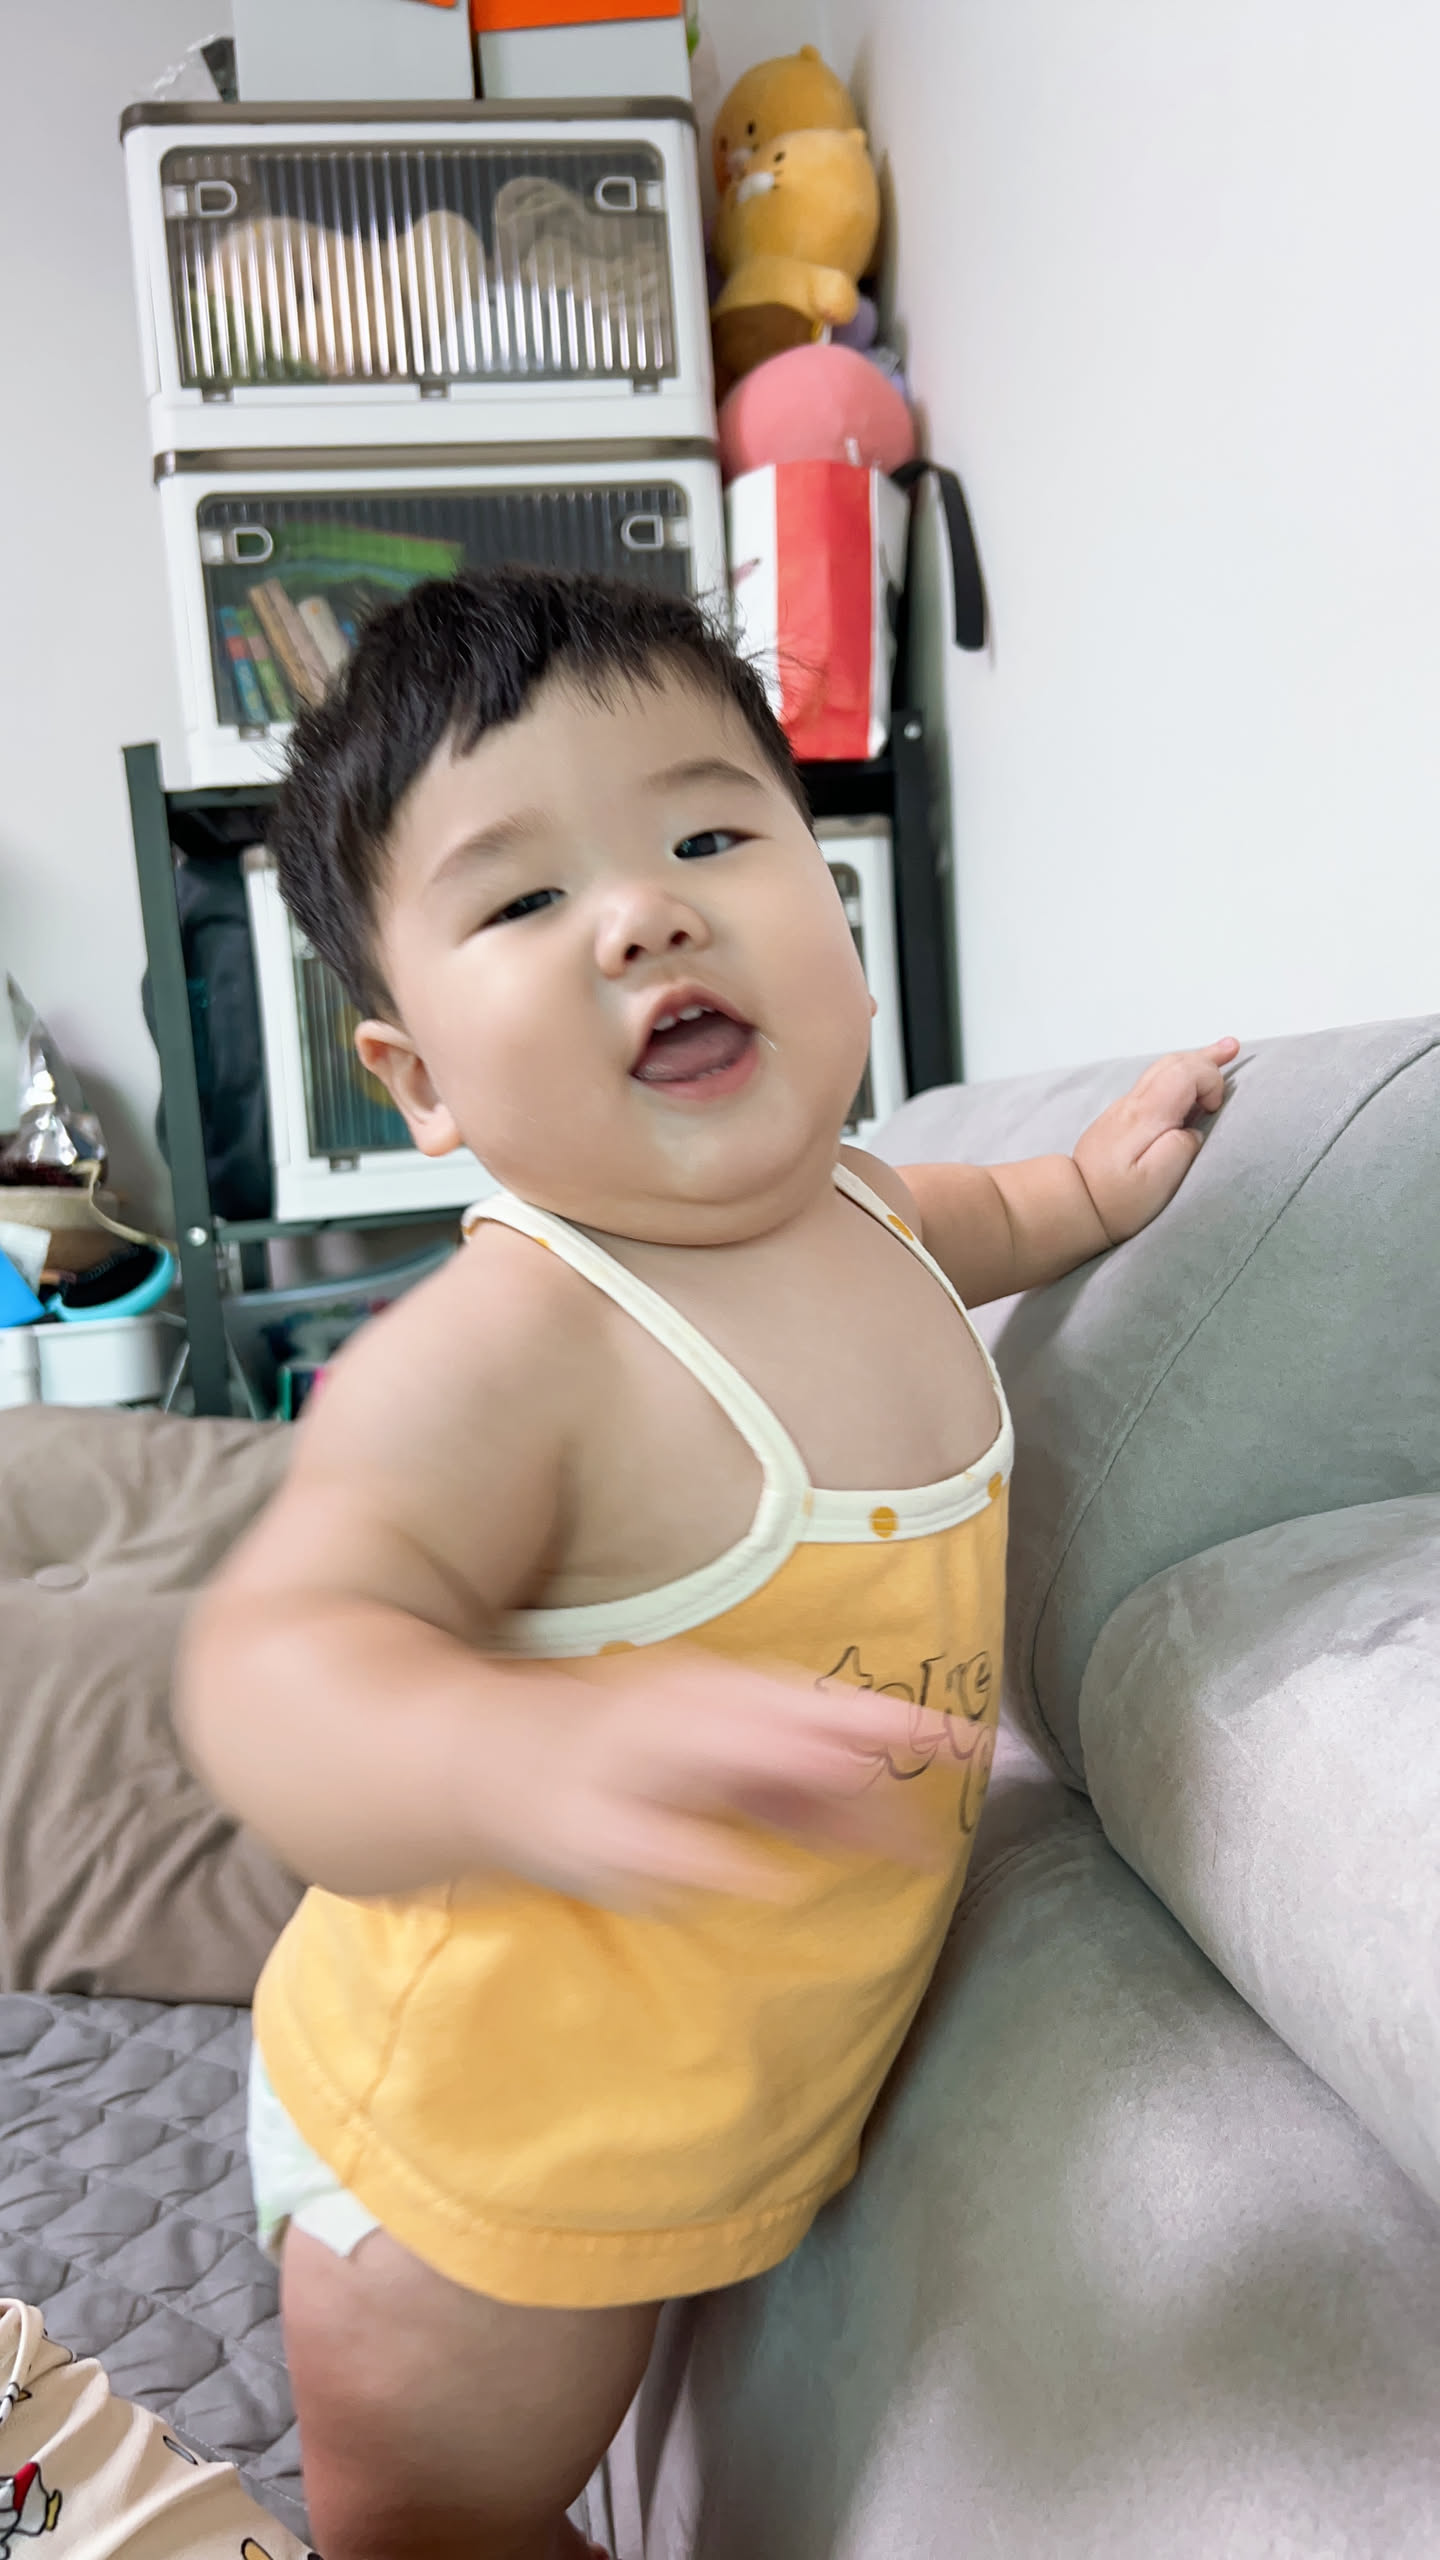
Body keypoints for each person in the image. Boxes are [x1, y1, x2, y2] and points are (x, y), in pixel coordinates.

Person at [180, 567, 1237, 2560]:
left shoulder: (863, 1203)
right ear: (419, 1083)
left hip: (732, 2085)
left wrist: (1095, 1188)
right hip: (487, 2158)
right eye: (523, 896)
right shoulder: (515, 1348)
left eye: (706, 839)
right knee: (445, 2521)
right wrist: (518, 1755)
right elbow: (274, 1662)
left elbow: (988, 1211)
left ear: (831, 912)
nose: (646, 915)